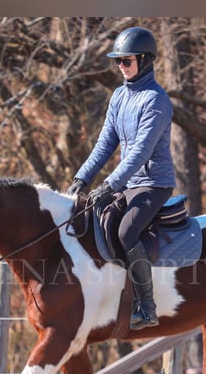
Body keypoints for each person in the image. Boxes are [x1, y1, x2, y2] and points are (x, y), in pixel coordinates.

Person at [66, 26, 175, 331]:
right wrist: (82, 179)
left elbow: (140, 153)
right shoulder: (118, 96)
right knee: (96, 221)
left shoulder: (157, 101)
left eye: (126, 61)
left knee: (127, 232)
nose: (121, 67)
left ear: (145, 60)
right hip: (128, 183)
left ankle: (147, 306)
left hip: (154, 184)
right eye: (118, 62)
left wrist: (109, 185)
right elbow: (105, 145)